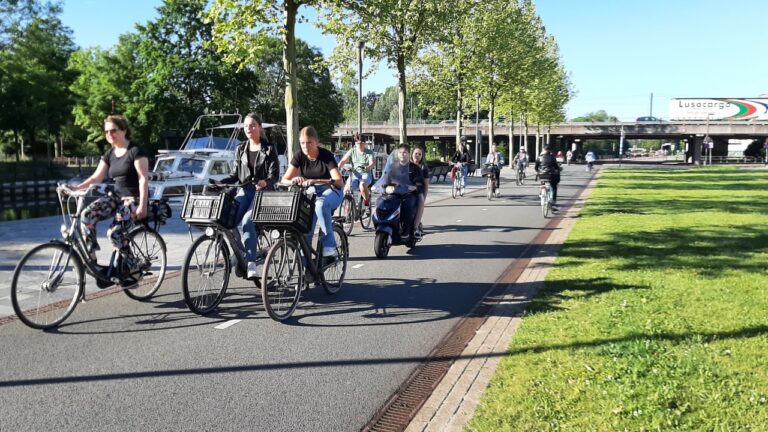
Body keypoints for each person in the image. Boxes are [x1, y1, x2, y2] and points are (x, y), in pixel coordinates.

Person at [74, 115, 149, 285]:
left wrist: (142, 205)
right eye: (107, 131)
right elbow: (96, 178)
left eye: (113, 130)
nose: (110, 134)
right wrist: (76, 189)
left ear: (124, 130)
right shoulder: (109, 154)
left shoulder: (135, 151)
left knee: (114, 233)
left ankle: (134, 267)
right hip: (116, 198)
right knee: (87, 215)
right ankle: (91, 260)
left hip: (133, 199)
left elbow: (143, 179)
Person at [216, 113, 279, 279]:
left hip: (263, 193)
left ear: (259, 127)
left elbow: (275, 175)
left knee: (247, 221)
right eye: (246, 126)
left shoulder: (269, 148)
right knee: (226, 219)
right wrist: (221, 182)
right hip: (245, 190)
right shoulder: (240, 149)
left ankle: (251, 264)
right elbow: (235, 175)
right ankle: (240, 253)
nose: (249, 129)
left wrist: (265, 182)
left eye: (252, 125)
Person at [282, 126, 344, 262]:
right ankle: (307, 272)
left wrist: (315, 181)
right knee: (305, 231)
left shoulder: (326, 156)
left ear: (316, 142)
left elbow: (339, 181)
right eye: (302, 143)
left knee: (320, 205)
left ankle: (329, 245)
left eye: (309, 142)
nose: (305, 146)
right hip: (311, 194)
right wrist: (294, 179)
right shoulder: (299, 156)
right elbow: (284, 180)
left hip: (332, 191)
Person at [374, 143, 424, 239]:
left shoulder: (414, 168)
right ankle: (384, 223)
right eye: (400, 152)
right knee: (381, 202)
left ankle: (406, 230)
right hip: (394, 193)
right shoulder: (392, 167)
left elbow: (419, 181)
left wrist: (414, 186)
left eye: (405, 152)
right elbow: (385, 178)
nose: (402, 154)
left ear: (409, 154)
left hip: (408, 194)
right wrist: (379, 186)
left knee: (407, 205)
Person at [338, 132, 375, 208]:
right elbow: (343, 161)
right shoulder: (352, 151)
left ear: (364, 143)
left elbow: (372, 163)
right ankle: (347, 212)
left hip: (365, 174)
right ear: (355, 143)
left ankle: (366, 202)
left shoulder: (369, 152)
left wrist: (368, 167)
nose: (359, 145)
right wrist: (337, 168)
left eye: (361, 143)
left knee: (362, 184)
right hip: (354, 174)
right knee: (346, 190)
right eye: (358, 143)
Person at [534, 145, 561, 212]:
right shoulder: (552, 157)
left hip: (541, 175)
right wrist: (558, 169)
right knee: (554, 187)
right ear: (550, 150)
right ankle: (552, 201)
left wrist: (538, 171)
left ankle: (541, 192)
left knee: (543, 182)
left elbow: (536, 167)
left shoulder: (539, 157)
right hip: (550, 175)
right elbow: (556, 167)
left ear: (543, 149)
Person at [410, 146, 430, 238]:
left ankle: (415, 227)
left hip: (418, 191)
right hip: (405, 190)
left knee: (420, 202)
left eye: (419, 154)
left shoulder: (423, 168)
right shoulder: (406, 165)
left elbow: (426, 184)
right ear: (412, 154)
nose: (417, 156)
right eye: (416, 153)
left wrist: (424, 196)